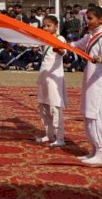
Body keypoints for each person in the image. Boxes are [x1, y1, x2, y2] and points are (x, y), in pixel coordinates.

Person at [69, 6, 102, 166]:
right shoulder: (91, 36)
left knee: (96, 117)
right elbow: (75, 44)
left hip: (99, 83)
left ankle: (100, 153)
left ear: (101, 20)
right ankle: (94, 150)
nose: (88, 21)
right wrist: (59, 44)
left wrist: (100, 58)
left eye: (91, 18)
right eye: (87, 18)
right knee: (88, 115)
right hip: (90, 80)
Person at [36, 15, 67, 147]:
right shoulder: (43, 38)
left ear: (56, 26)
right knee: (44, 106)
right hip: (43, 75)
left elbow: (64, 52)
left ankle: (60, 137)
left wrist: (59, 50)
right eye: (44, 25)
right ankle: (49, 134)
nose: (46, 28)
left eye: (49, 25)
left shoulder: (60, 38)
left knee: (55, 106)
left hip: (54, 77)